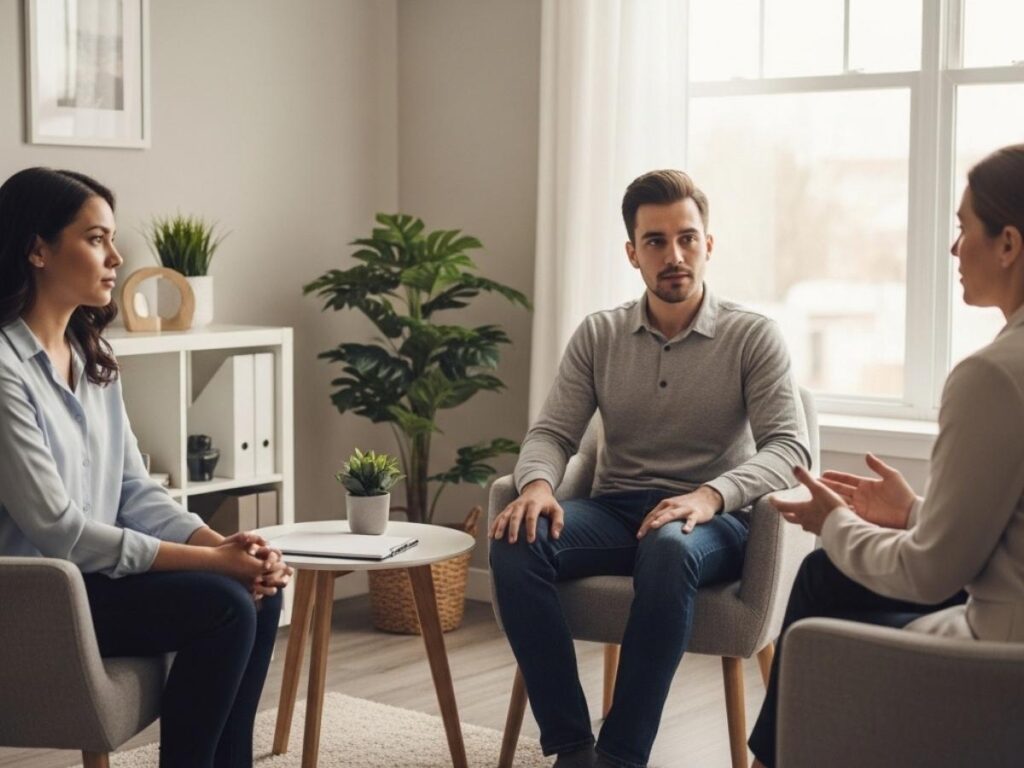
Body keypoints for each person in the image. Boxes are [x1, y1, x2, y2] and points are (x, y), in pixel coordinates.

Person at [489, 169, 811, 768]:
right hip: (615, 509)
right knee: (516, 538)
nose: (675, 255)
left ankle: (620, 756)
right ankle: (572, 747)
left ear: (708, 245)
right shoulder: (600, 334)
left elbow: (790, 450)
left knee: (668, 547)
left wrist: (711, 497)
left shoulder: (753, 336)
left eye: (687, 238)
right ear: (632, 252)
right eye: (656, 241)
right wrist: (536, 486)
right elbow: (554, 432)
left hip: (714, 522)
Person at [0, 167, 293, 768]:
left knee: (256, 593)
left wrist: (229, 544)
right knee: (226, 602)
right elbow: (62, 529)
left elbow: (134, 489)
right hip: (37, 601)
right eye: (96, 238)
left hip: (97, 583)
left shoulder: (90, 355)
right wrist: (215, 563)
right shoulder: (4, 368)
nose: (116, 256)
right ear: (37, 249)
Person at [748, 143, 1024, 767]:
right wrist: (917, 510)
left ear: (1008, 244)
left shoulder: (993, 378)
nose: (954, 249)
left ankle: (783, 756)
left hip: (1000, 661)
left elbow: (931, 574)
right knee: (825, 574)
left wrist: (833, 523)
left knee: (822, 577)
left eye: (962, 228)